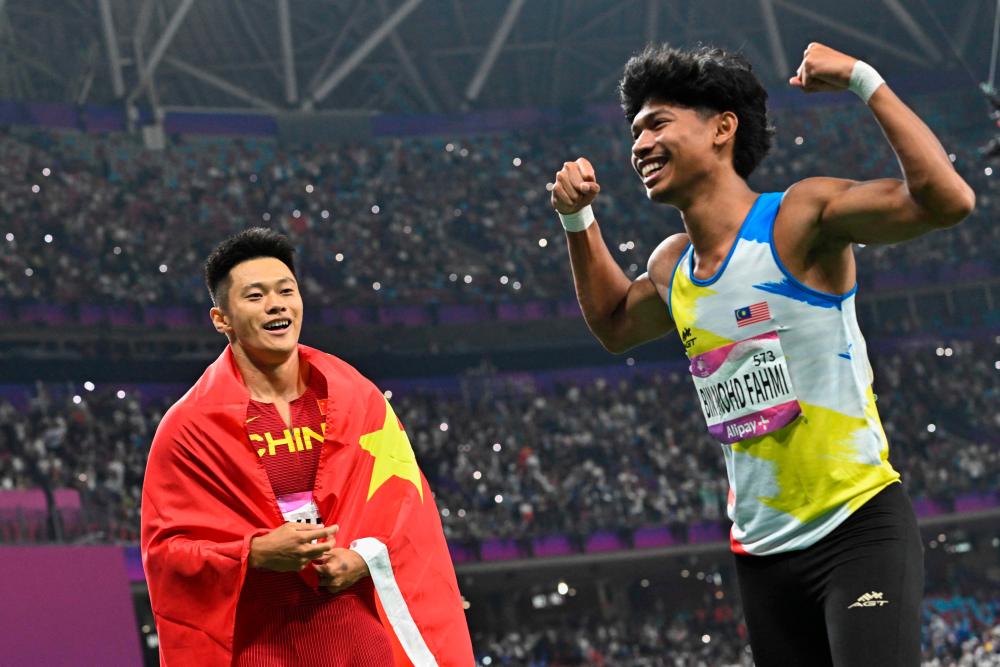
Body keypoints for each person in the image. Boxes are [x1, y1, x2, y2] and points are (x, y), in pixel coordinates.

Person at [549, 42, 974, 666]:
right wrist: (578, 221)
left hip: (856, 527)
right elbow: (614, 326)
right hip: (762, 557)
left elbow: (948, 201)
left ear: (723, 128)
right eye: (634, 131)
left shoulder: (799, 219)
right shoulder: (671, 266)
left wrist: (863, 80)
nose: (638, 145)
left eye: (657, 123)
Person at [141, 228, 473, 666]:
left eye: (286, 291)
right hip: (261, 645)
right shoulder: (189, 429)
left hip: (358, 637)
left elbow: (408, 506)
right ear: (221, 319)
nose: (276, 304)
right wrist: (255, 553)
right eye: (255, 296)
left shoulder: (358, 398)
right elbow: (166, 554)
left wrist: (362, 557)